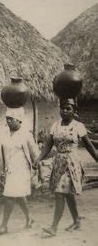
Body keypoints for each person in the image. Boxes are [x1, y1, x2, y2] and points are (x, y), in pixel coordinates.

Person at [36, 98, 98, 236]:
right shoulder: (55, 125)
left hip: (71, 163)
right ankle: (76, 220)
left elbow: (89, 146)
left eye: (68, 108)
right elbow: (48, 144)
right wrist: (39, 158)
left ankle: (53, 227)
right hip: (58, 163)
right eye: (62, 108)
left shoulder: (78, 126)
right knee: (67, 194)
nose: (64, 111)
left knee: (60, 193)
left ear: (74, 111)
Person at [0, 107, 39, 235]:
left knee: (10, 195)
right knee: (18, 195)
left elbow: (35, 154)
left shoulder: (26, 135)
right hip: (9, 169)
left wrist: (40, 171)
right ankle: (30, 218)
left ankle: (3, 226)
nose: (9, 122)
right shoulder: (3, 134)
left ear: (19, 120)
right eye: (7, 119)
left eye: (11, 119)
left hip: (22, 169)